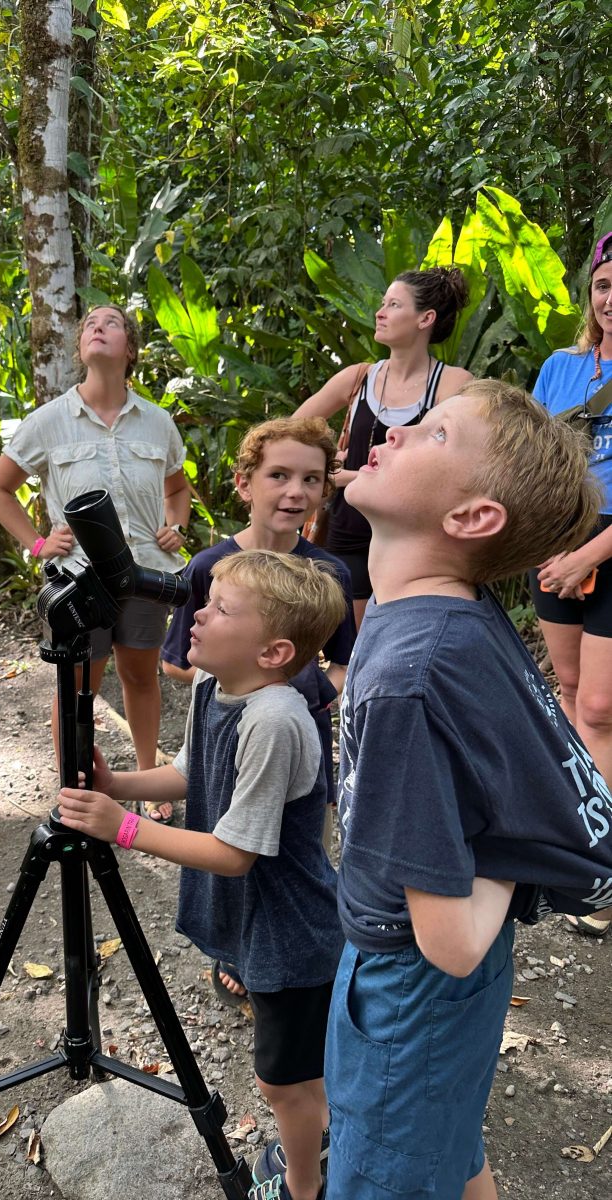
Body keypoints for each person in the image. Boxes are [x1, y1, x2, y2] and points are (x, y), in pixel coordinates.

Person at [326, 379, 612, 1200]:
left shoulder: (406, 676)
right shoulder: (453, 612)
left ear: (472, 519)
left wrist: (502, 850)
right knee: (446, 1150)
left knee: (386, 1171)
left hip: (411, 984)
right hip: (441, 987)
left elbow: (449, 941)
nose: (406, 430)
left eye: (438, 435)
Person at [58, 550, 348, 1200]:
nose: (196, 614)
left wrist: (125, 827)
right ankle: (328, 1123)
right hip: (255, 919)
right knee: (298, 1069)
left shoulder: (275, 719)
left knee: (279, 1083)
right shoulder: (216, 686)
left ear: (272, 652)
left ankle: (304, 1186)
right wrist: (118, 784)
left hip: (293, 931)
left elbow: (234, 852)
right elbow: (193, 772)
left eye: (219, 609)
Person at [161, 416, 355, 1003]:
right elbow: (177, 660)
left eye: (312, 479)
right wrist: (238, 675)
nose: (296, 491)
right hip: (230, 729)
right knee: (229, 842)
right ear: (245, 484)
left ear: (325, 491)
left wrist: (305, 691)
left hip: (296, 744)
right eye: (279, 475)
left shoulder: (331, 572)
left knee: (296, 854)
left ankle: (292, 959)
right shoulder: (209, 568)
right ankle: (236, 948)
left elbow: (343, 662)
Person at [0, 305, 191, 816]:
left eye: (112, 323)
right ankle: (76, 786)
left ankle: (147, 781)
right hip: (78, 580)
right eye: (90, 325)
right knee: (77, 687)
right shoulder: (49, 421)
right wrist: (36, 544)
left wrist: (176, 525)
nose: (99, 327)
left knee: (140, 676)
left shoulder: (157, 423)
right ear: (81, 349)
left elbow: (178, 487)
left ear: (130, 349)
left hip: (145, 573)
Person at [294, 266, 472, 628]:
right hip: (346, 536)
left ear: (426, 318)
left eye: (393, 304)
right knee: (352, 653)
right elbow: (288, 433)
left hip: (415, 540)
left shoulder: (452, 384)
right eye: (383, 303)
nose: (380, 312)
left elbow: (467, 461)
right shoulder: (359, 377)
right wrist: (329, 469)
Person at [528, 230, 612, 937]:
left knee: (602, 703)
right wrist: (558, 545)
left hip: (608, 541)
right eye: (605, 285)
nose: (611, 298)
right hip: (558, 538)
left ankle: (602, 858)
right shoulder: (561, 367)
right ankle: (582, 840)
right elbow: (533, 457)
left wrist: (591, 555)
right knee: (566, 688)